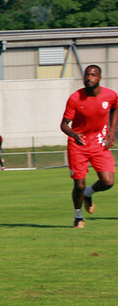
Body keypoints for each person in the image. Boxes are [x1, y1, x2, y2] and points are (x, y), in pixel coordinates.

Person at [60, 65, 118, 229]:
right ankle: (78, 216)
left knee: (108, 182)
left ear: (99, 78)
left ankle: (88, 194)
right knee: (79, 185)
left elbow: (115, 108)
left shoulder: (110, 95)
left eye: (93, 75)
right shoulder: (75, 98)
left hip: (99, 143)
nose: (89, 78)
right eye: (87, 75)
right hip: (78, 145)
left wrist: (112, 132)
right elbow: (64, 125)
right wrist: (73, 134)